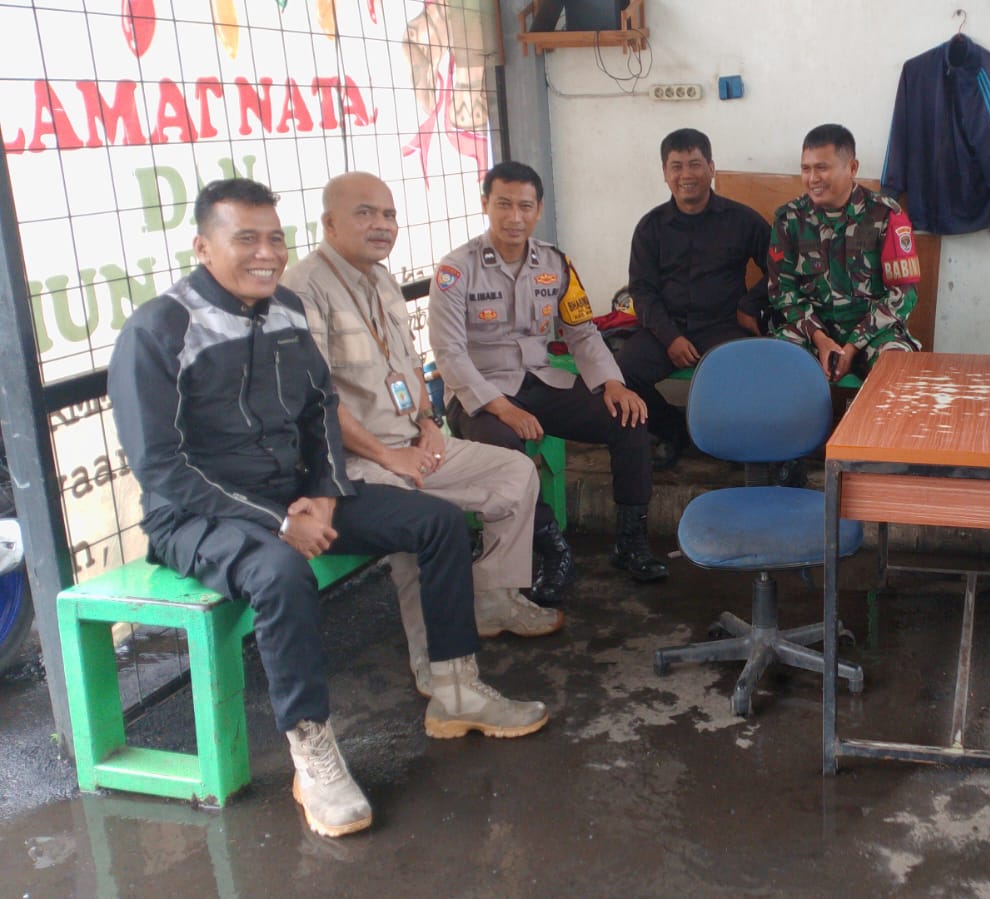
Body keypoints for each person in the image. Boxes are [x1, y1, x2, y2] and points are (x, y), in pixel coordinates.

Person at [109, 179, 549, 839]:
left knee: (432, 521)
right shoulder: (160, 329)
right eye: (246, 239)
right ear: (203, 247)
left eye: (274, 238)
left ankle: (455, 689)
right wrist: (282, 521)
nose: (266, 253)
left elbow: (319, 412)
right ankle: (311, 747)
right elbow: (162, 468)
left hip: (299, 496)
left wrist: (319, 493)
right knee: (280, 573)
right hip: (201, 516)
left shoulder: (285, 310)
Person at [281, 172, 562, 699]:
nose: (382, 225)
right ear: (330, 223)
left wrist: (429, 424)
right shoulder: (302, 289)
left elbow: (411, 365)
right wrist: (390, 457)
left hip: (412, 441)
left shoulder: (381, 279)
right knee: (421, 523)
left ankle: (492, 599)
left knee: (514, 472)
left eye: (388, 214)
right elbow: (317, 403)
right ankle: (435, 665)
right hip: (354, 462)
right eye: (366, 213)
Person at [431, 161, 668, 591]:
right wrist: (501, 408)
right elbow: (448, 353)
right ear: (485, 204)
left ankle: (631, 540)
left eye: (525, 206)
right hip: (479, 393)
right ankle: (552, 549)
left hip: (540, 381)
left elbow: (581, 332)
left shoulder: (556, 264)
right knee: (503, 446)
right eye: (503, 204)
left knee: (630, 418)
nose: (514, 217)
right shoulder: (456, 270)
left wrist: (613, 383)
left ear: (538, 209)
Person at [616, 128, 769, 469]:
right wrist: (670, 337)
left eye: (695, 164)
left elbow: (780, 270)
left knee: (746, 370)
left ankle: (736, 446)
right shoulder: (650, 227)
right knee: (620, 373)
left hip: (723, 326)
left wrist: (749, 305)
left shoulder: (743, 220)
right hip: (666, 329)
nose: (687, 175)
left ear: (711, 168)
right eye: (677, 166)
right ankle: (671, 430)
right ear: (665, 173)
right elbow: (641, 290)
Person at [769, 123, 922, 383]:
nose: (812, 178)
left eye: (822, 168)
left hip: (873, 334)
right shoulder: (790, 219)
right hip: (811, 332)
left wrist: (852, 346)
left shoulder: (886, 215)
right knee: (775, 360)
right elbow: (783, 293)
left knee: (898, 366)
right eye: (806, 168)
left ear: (852, 168)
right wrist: (821, 339)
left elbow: (903, 295)